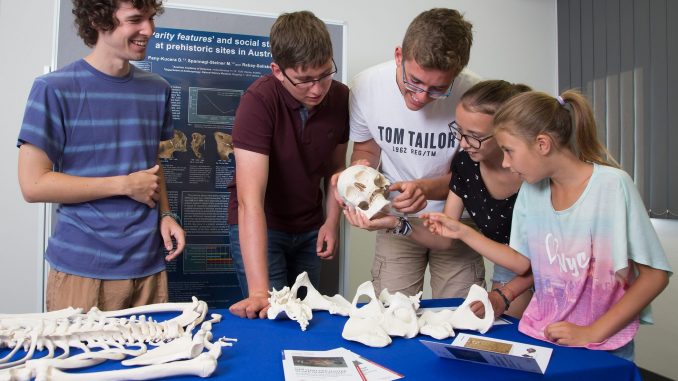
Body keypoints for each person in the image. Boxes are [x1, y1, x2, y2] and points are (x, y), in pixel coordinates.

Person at [423, 90, 671, 360]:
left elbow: (654, 276)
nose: (505, 162)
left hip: (600, 346)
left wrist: (593, 332)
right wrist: (461, 231)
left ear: (542, 144)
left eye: (509, 151)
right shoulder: (532, 191)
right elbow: (521, 262)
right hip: (541, 337)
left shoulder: (613, 186)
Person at [17, 0, 185, 312]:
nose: (148, 30)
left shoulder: (157, 89)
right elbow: (34, 184)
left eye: (150, 19)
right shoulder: (53, 89)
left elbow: (152, 163)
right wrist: (123, 185)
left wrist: (165, 214)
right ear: (99, 21)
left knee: (156, 361)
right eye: (135, 20)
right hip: (82, 272)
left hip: (148, 266)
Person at [345, 80, 533, 318]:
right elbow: (444, 239)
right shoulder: (466, 165)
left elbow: (540, 260)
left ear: (507, 134)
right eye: (460, 132)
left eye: (474, 136)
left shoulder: (532, 173)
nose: (463, 144)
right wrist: (393, 222)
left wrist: (464, 232)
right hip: (512, 266)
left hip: (552, 265)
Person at [342, 8, 483, 299]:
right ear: (398, 56)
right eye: (414, 82)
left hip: (457, 220)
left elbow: (474, 174)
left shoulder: (474, 94)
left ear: (457, 76)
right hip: (397, 217)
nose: (420, 97)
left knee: (461, 318)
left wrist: (425, 188)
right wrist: (357, 187)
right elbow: (367, 150)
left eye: (438, 90)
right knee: (392, 316)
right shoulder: (365, 87)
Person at [227, 11, 349, 319]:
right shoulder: (259, 101)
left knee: (311, 316)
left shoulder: (340, 97)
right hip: (263, 225)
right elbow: (249, 201)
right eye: (305, 80)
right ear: (278, 71)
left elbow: (336, 172)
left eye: (324, 74)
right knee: (274, 316)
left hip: (310, 226)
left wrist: (331, 222)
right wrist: (258, 291)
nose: (317, 89)